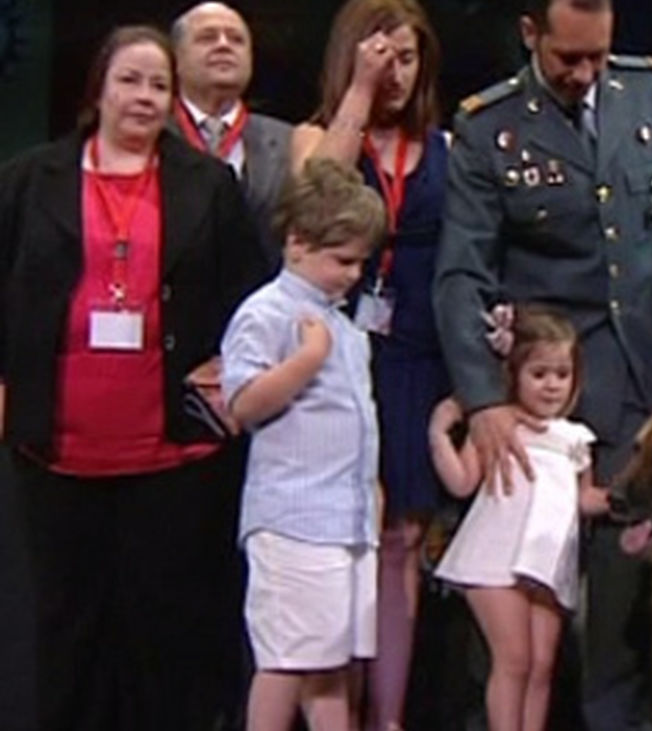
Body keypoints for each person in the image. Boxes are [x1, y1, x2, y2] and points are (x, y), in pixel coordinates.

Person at [434, 1, 652, 726]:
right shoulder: (486, 126)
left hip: (637, 386)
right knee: (518, 622)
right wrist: (483, 398)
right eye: (569, 59)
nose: (586, 73)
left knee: (624, 605)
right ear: (529, 32)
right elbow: (462, 272)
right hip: (536, 404)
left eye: (598, 55)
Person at [0, 25, 267, 730]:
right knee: (68, 624)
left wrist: (232, 373)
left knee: (163, 626)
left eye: (158, 84)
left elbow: (251, 294)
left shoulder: (207, 183)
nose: (145, 97)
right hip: (55, 448)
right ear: (99, 90)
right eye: (130, 80)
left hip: (174, 452)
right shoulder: (30, 179)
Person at [290, 2, 450, 728]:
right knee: (339, 533)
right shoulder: (316, 136)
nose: (394, 72)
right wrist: (358, 89)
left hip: (416, 355)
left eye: (406, 58)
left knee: (402, 540)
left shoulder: (450, 145)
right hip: (332, 357)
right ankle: (334, 712)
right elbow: (314, 203)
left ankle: (386, 716)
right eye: (380, 56)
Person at [221, 157, 386, 731]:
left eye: (360, 262)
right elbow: (241, 405)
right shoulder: (266, 312)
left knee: (330, 667)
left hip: (347, 520)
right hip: (294, 520)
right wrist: (306, 360)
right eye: (341, 260)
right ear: (296, 242)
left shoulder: (343, 324)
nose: (351, 274)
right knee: (286, 661)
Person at [432, 305, 608, 731]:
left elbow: (582, 498)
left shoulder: (576, 439)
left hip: (547, 562)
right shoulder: (500, 426)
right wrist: (440, 434)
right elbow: (461, 482)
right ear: (514, 375)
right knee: (514, 659)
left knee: (541, 664)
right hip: (496, 557)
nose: (552, 386)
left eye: (562, 375)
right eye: (540, 374)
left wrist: (625, 500)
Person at [172, 1, 292, 265]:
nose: (224, 45)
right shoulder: (153, 134)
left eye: (237, 39)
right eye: (207, 37)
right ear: (176, 59)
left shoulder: (289, 141)